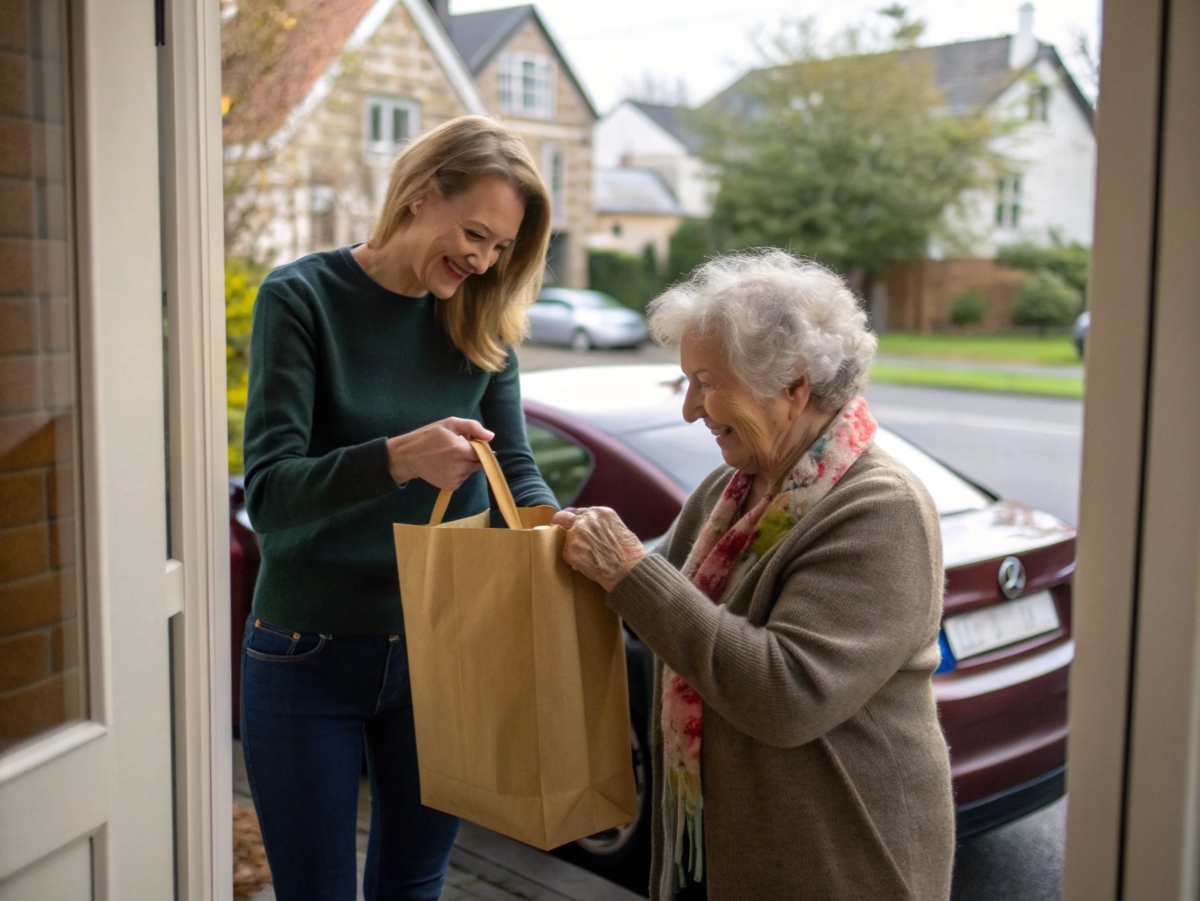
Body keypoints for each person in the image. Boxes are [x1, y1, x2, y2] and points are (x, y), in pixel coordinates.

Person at [552, 249, 955, 900]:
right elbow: (644, 603)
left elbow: (784, 695)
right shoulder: (732, 491)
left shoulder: (881, 511)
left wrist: (626, 569)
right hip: (722, 855)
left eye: (706, 381)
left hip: (839, 864)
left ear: (793, 385)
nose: (689, 408)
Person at [239, 116, 559, 901]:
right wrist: (394, 458)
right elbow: (271, 494)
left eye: (499, 249)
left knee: (414, 886)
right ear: (420, 194)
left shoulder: (480, 320)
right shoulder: (302, 297)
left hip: (446, 644)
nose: (482, 260)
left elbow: (514, 464)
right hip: (307, 651)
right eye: (475, 233)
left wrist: (556, 523)